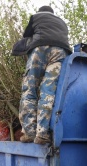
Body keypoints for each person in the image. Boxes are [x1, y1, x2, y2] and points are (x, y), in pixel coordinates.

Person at [18, 5, 72, 144]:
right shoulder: (62, 23)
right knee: (48, 91)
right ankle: (42, 134)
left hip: (40, 48)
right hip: (61, 52)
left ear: (40, 11)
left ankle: (30, 132)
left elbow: (27, 35)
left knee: (29, 90)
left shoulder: (36, 17)